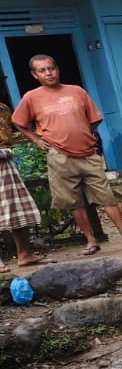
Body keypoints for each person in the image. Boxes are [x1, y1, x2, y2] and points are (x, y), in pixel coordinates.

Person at [11, 56, 122, 255]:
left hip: (88, 153)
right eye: (42, 70)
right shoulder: (32, 97)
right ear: (34, 75)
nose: (48, 73)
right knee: (73, 202)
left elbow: (95, 119)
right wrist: (36, 140)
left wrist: (83, 133)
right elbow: (19, 122)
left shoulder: (76, 91)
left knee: (106, 196)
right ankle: (91, 241)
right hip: (59, 156)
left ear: (57, 69)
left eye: (51, 68)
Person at [0, 110, 45, 269]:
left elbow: (9, 136)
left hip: (5, 161)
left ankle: (25, 254)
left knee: (17, 209)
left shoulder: (3, 109)